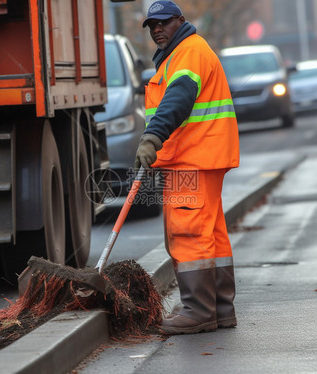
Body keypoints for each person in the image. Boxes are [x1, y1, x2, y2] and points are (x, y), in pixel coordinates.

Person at [134, 0, 240, 335]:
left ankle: (198, 311)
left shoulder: (188, 53)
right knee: (211, 234)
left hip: (192, 159)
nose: (157, 30)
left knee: (189, 232)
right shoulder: (183, 53)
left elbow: (177, 99)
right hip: (202, 155)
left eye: (163, 22)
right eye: (152, 25)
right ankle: (220, 309)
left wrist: (152, 138)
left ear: (180, 20)